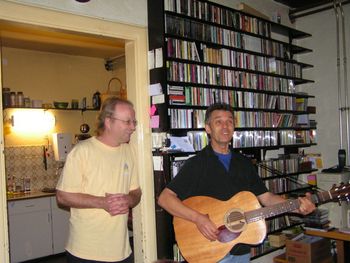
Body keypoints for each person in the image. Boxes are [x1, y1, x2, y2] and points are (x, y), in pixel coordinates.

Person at [158, 103, 315, 263]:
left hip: (240, 249)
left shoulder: (245, 164)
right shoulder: (196, 164)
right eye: (218, 122)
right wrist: (198, 218)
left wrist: (296, 206)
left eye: (230, 121)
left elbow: (266, 198)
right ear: (208, 128)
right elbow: (165, 198)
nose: (225, 126)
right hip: (208, 250)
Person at [56, 97, 142, 263]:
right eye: (127, 121)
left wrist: (129, 199)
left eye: (134, 121)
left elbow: (136, 191)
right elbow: (62, 196)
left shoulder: (128, 151)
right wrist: (103, 202)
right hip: (86, 252)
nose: (133, 127)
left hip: (122, 251)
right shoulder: (82, 151)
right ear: (108, 122)